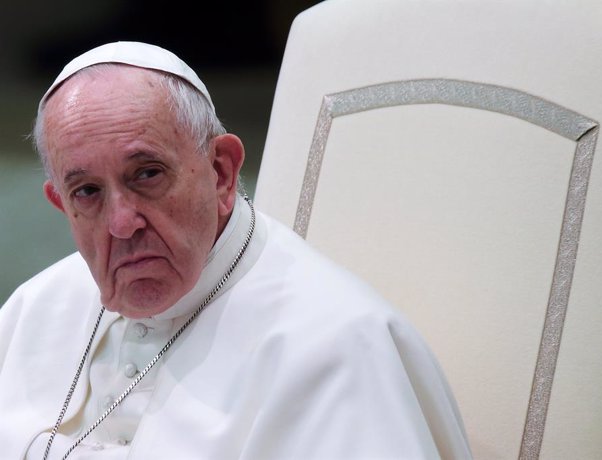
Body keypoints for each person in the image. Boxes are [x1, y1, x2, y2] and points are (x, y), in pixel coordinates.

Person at [0, 41, 472, 459]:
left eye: (147, 174)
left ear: (221, 172)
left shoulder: (337, 346)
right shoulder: (32, 310)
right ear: (62, 204)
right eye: (87, 191)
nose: (122, 224)